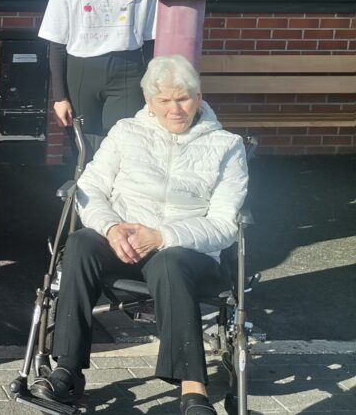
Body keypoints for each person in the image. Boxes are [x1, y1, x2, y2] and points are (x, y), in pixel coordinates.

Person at [31, 55, 248, 415]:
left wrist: (162, 235)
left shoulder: (226, 145)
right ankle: (68, 369)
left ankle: (194, 392)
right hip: (125, 243)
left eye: (183, 98)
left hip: (188, 255)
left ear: (198, 96)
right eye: (164, 100)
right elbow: (90, 188)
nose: (175, 109)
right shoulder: (125, 132)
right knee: (82, 242)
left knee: (170, 261)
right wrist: (112, 228)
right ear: (149, 101)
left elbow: (225, 223)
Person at [38, 0, 157, 149]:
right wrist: (59, 97)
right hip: (82, 73)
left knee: (124, 146)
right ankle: (84, 189)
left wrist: (154, 88)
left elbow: (152, 41)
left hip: (127, 72)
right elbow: (57, 44)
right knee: (84, 148)